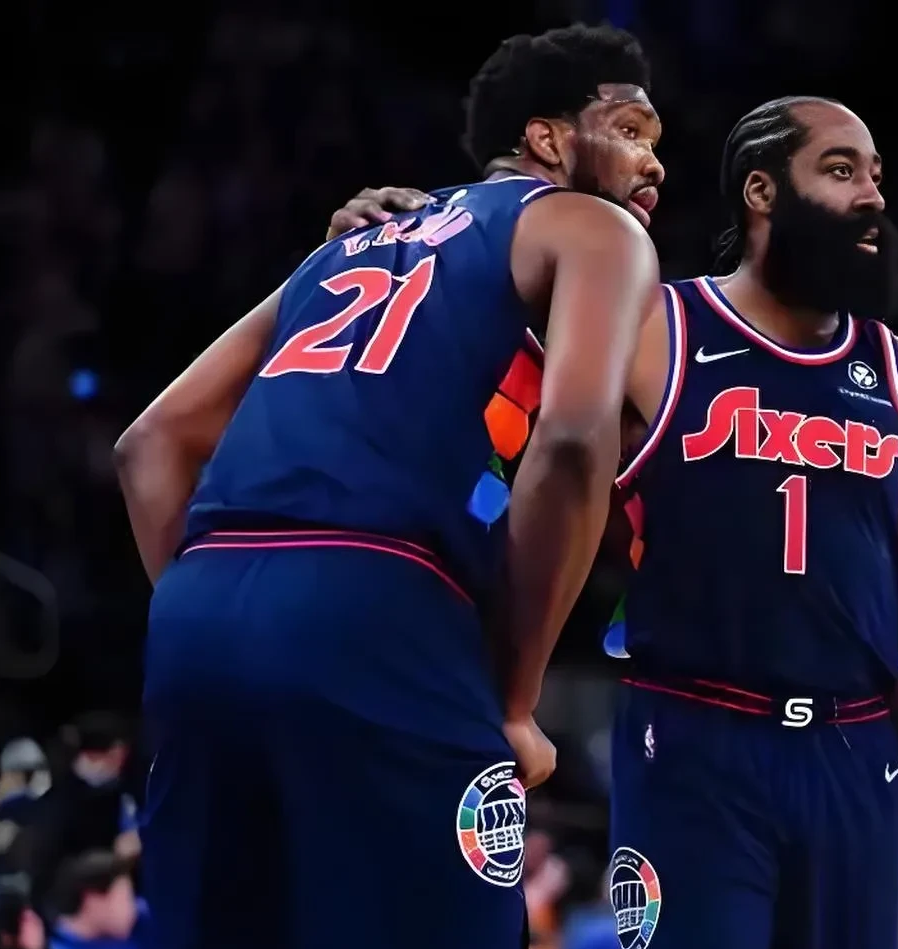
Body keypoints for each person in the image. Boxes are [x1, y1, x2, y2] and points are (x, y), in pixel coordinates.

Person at [336, 96, 898, 949]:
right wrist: (392, 242)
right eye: (840, 171)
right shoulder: (653, 326)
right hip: (692, 738)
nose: (872, 196)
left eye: (876, 176)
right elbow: (484, 421)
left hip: (855, 756)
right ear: (761, 191)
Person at [113, 23, 663, 949]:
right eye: (632, 131)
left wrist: (238, 615)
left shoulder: (349, 244)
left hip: (200, 612)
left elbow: (150, 444)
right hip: (377, 599)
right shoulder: (592, 226)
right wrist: (515, 700)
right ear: (547, 138)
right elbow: (573, 442)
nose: (653, 164)